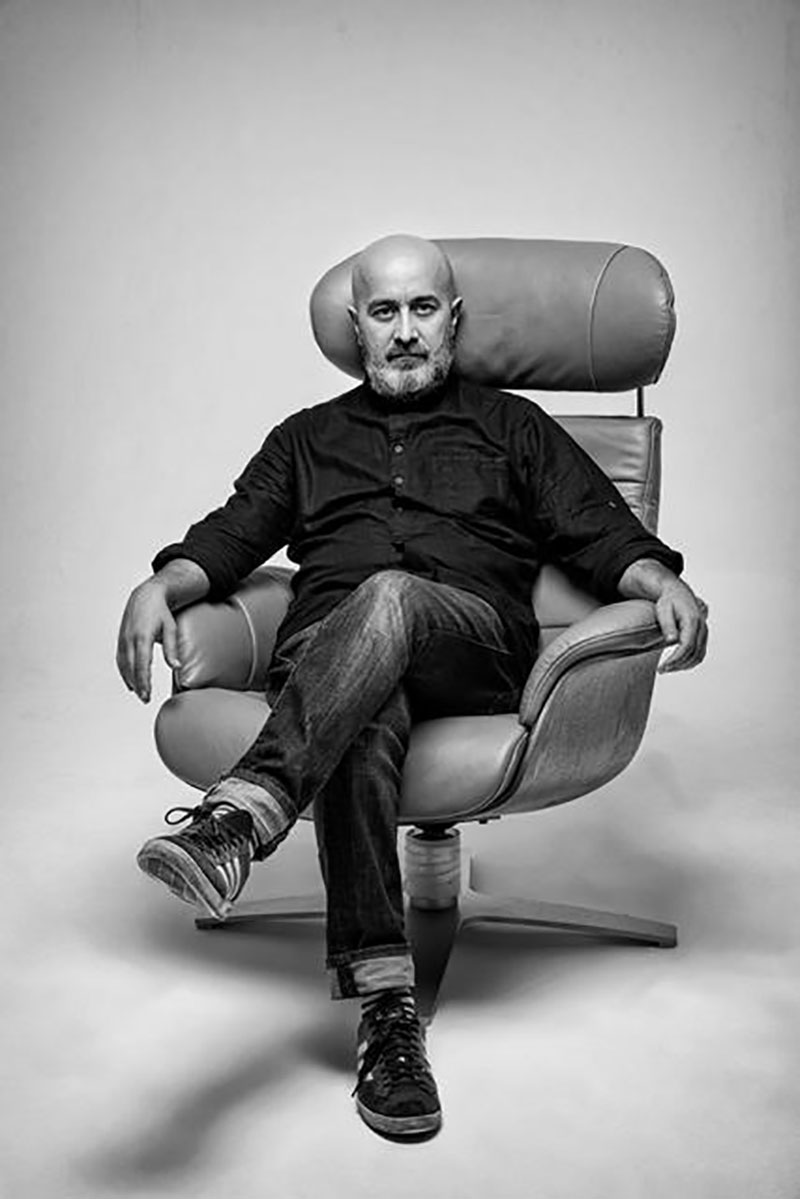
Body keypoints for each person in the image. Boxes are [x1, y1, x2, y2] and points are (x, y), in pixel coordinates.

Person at [116, 234, 708, 1140]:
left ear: (453, 320)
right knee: (360, 708)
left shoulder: (512, 427)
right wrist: (161, 585)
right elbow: (229, 537)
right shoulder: (305, 438)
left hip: (468, 647)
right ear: (356, 326)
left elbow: (599, 532)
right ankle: (387, 1016)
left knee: (389, 595)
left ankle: (242, 814)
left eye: (422, 309)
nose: (404, 332)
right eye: (384, 312)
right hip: (329, 661)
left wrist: (662, 581)